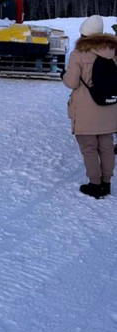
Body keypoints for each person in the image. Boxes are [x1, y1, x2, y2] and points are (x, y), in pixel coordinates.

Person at [62, 15, 117, 198]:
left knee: (89, 148)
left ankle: (95, 184)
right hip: (109, 107)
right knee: (107, 147)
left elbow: (71, 82)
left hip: (86, 110)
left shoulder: (78, 54)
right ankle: (106, 183)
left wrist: (64, 75)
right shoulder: (114, 51)